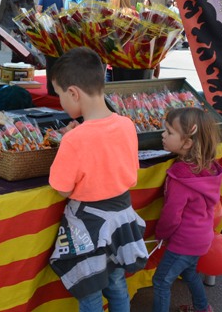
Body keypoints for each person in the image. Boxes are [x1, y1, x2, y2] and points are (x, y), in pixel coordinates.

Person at [47, 47, 148, 312]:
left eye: (59, 95)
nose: (60, 103)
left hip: (88, 227)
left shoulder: (74, 139)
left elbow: (60, 189)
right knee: (116, 282)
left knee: (89, 290)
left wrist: (65, 147)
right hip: (120, 218)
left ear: (73, 93)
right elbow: (130, 173)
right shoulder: (127, 124)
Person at [152, 107, 222, 312]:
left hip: (183, 241)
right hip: (202, 237)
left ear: (187, 142)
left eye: (169, 132)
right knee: (190, 272)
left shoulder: (180, 177)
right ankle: (203, 308)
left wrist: (161, 234)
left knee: (161, 281)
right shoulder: (209, 168)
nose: (163, 135)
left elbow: (171, 214)